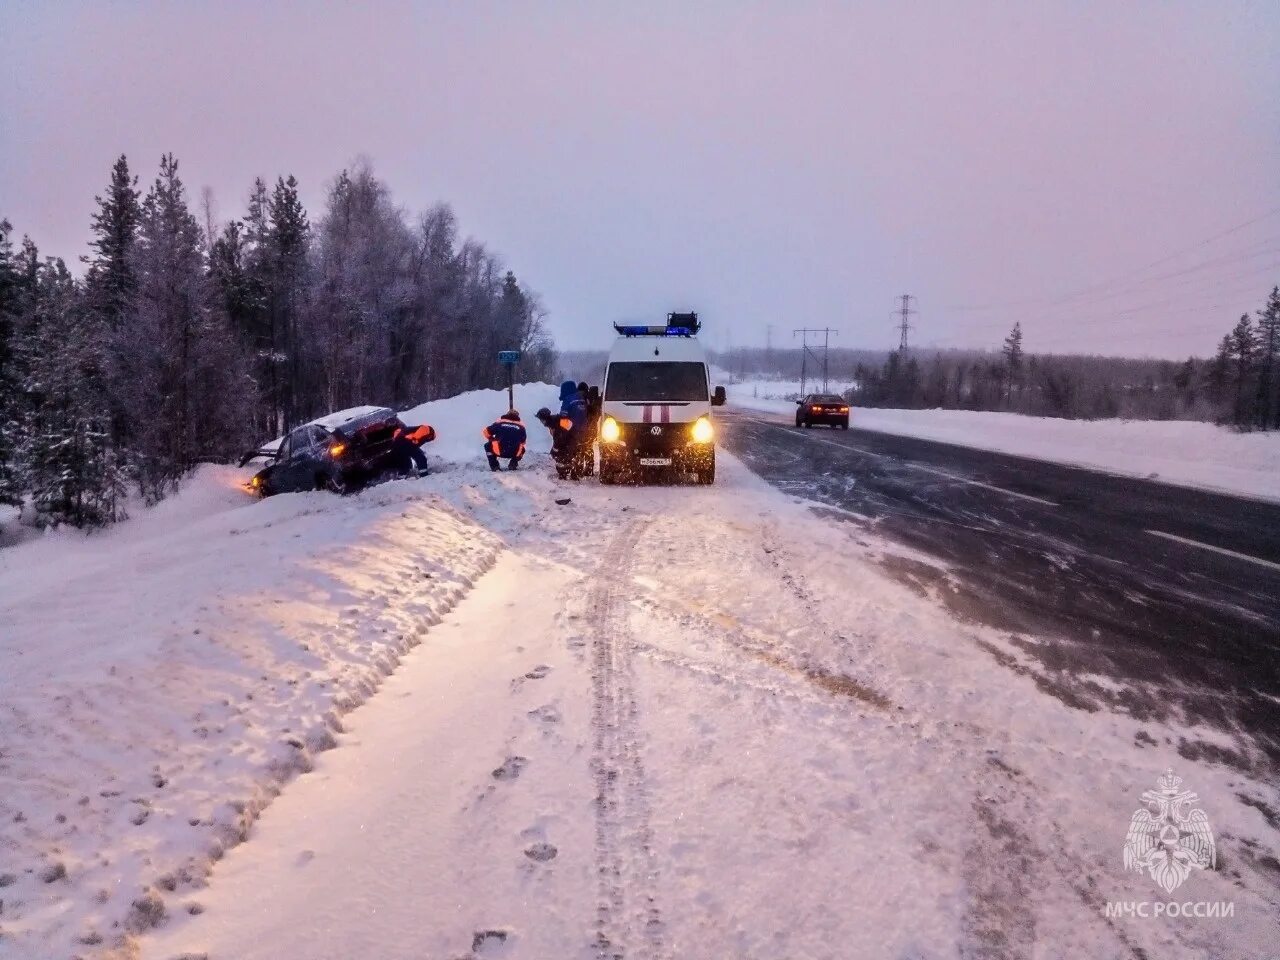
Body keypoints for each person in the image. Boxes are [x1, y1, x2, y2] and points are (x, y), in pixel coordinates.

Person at [535, 406, 581, 480]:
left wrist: (556, 448)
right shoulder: (553, 422)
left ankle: (565, 473)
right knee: (558, 454)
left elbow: (561, 438)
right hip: (569, 441)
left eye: (541, 420)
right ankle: (569, 471)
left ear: (545, 418)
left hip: (571, 441)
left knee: (560, 455)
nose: (541, 422)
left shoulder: (556, 422)